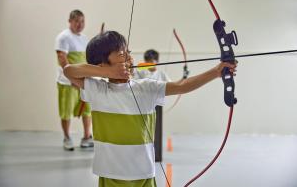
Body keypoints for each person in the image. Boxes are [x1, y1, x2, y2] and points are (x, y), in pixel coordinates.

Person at [63, 31, 236, 186]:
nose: (130, 58)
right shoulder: (98, 90)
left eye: (129, 53)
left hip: (143, 174)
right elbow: (69, 71)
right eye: (122, 54)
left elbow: (181, 85)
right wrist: (108, 73)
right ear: (102, 64)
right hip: (110, 175)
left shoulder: (146, 87)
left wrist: (216, 72)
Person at [55, 9, 93, 151]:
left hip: (83, 83)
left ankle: (86, 137)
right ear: (70, 21)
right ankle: (67, 138)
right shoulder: (63, 37)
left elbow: (87, 59)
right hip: (67, 83)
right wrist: (72, 78)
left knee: (87, 110)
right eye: (76, 21)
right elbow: (62, 59)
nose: (80, 24)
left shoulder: (84, 38)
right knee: (66, 111)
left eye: (82, 21)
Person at [134, 49, 170, 162]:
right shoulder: (141, 71)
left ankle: (157, 156)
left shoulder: (161, 74)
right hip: (143, 104)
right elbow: (133, 80)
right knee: (142, 131)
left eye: (153, 61)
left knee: (156, 131)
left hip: (157, 105)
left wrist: (184, 77)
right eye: (147, 61)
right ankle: (142, 156)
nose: (150, 64)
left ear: (157, 61)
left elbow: (171, 85)